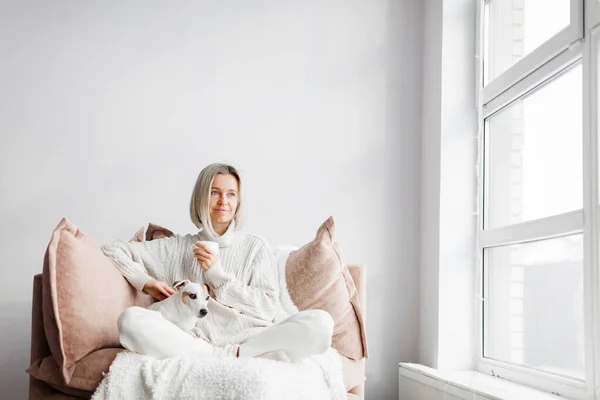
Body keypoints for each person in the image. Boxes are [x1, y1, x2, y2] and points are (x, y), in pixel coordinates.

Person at [101, 163, 334, 361]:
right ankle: (212, 357)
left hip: (252, 341)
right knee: (130, 320)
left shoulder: (255, 246)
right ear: (201, 197)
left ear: (238, 201)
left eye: (231, 194)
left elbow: (267, 309)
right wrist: (146, 282)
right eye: (214, 192)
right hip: (197, 343)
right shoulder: (175, 247)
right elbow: (112, 250)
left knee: (321, 323)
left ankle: (240, 354)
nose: (224, 201)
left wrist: (218, 277)